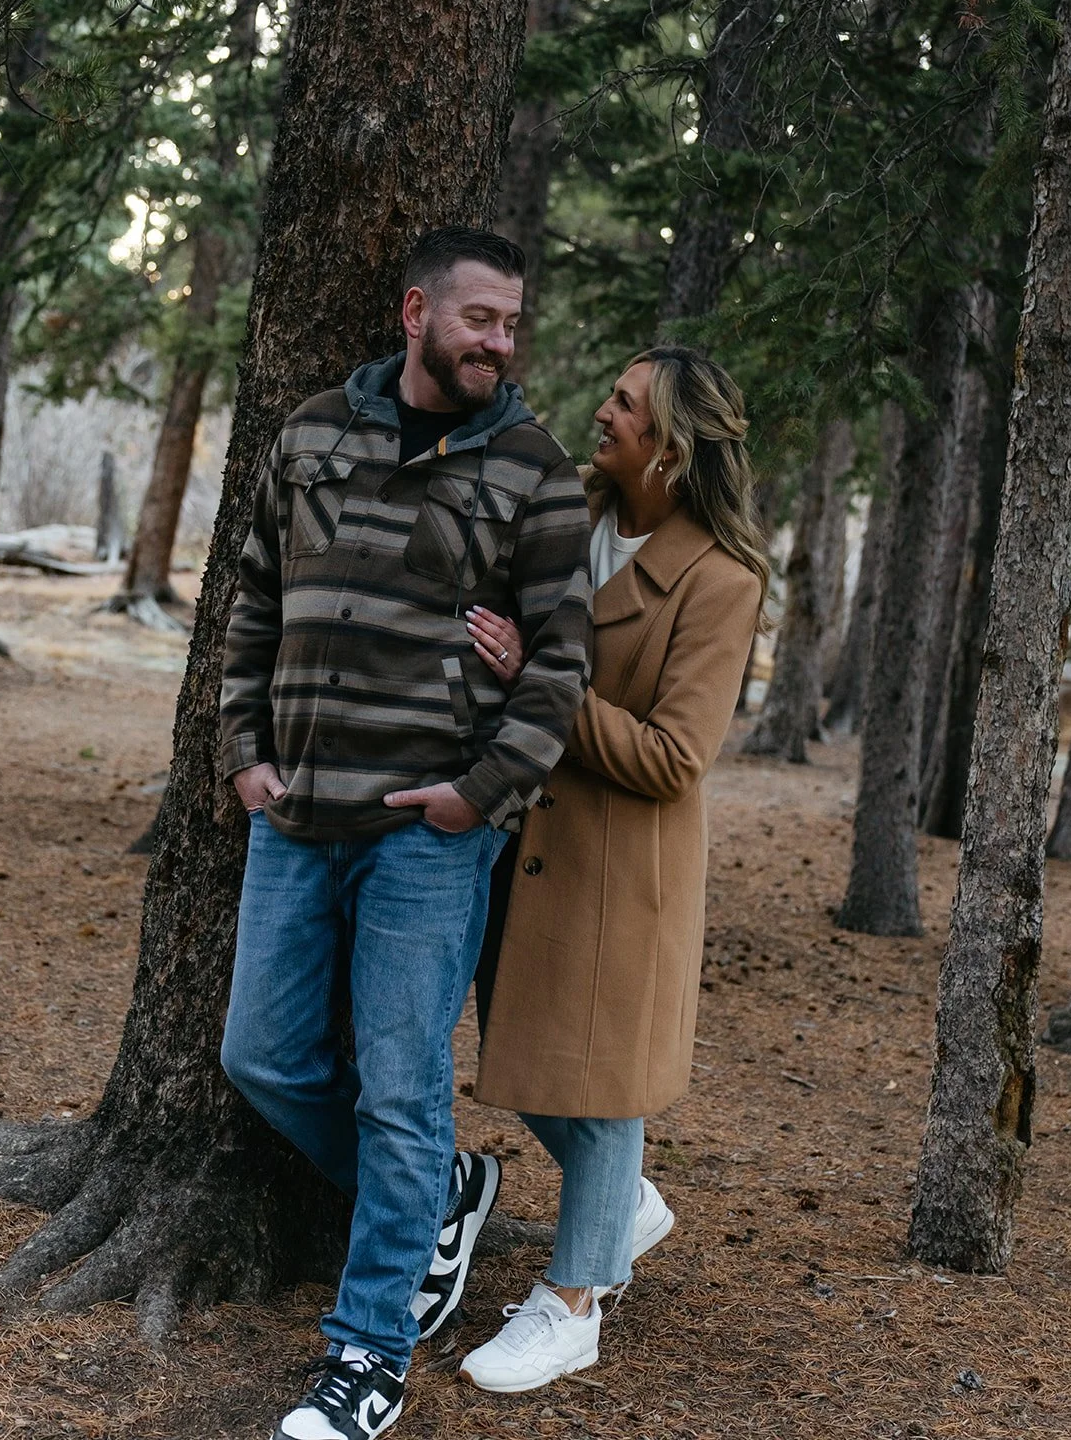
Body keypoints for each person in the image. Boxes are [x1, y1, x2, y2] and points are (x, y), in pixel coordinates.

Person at [218, 227, 592, 1440]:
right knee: (262, 1058)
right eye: (481, 318)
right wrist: (245, 753)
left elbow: (560, 669)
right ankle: (443, 1190)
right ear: (417, 309)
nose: (500, 341)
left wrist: (476, 796)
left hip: (428, 833)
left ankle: (365, 1358)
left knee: (399, 1085)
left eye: (513, 325)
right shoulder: (314, 432)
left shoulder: (533, 466)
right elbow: (255, 598)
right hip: (297, 813)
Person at [458, 345, 769, 1393]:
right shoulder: (568, 510)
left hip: (616, 862)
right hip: (519, 829)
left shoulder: (722, 581)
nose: (603, 410)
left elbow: (677, 756)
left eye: (626, 405)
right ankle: (622, 1199)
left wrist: (538, 683)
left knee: (599, 1079)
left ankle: (575, 1302)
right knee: (519, 1038)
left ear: (673, 449)